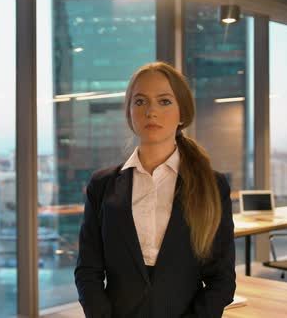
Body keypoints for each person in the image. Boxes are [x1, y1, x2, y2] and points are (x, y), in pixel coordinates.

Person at [74, 62, 236, 317]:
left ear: (182, 112)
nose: (151, 111)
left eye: (164, 101)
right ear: (129, 113)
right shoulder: (102, 186)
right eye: (140, 102)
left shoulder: (212, 186)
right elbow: (88, 271)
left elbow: (222, 279)